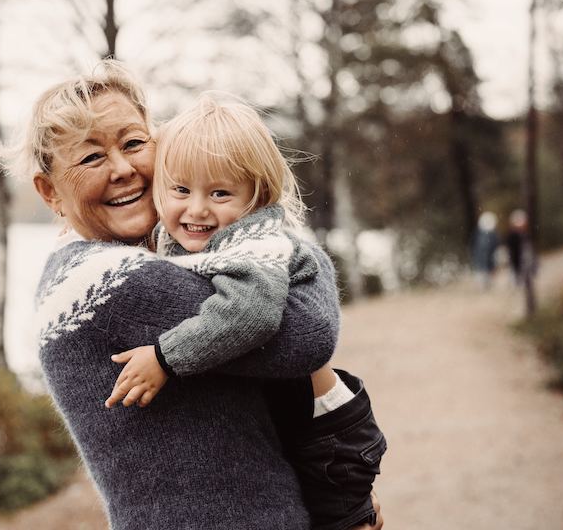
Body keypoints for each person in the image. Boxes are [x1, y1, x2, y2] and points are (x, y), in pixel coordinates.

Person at [0, 60, 383, 530]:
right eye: (91, 157)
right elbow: (308, 334)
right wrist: (288, 250)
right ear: (49, 191)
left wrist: (340, 504)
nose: (121, 168)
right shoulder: (102, 283)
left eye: (133, 143)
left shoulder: (170, 253)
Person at [103, 93, 386, 530]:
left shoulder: (257, 244)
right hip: (291, 418)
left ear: (256, 197)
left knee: (344, 523)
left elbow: (250, 313)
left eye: (220, 193)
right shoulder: (184, 237)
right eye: (180, 189)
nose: (197, 209)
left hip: (326, 434)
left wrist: (165, 357)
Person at [471, 211, 499, 289]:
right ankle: (484, 285)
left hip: (486, 259)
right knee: (483, 272)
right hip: (483, 259)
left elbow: (495, 246)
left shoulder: (490, 234)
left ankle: (485, 284)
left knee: (484, 272)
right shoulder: (479, 233)